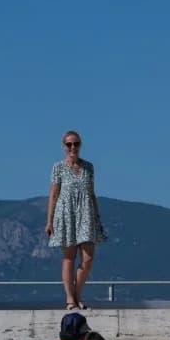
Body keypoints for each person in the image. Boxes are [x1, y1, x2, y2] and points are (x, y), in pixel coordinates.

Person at [45, 130, 104, 311]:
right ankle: (70, 299)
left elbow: (91, 193)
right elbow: (53, 195)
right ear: (64, 146)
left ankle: (77, 293)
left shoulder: (89, 167)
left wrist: (98, 218)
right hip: (66, 214)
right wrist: (49, 220)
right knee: (69, 257)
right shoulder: (58, 167)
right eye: (69, 144)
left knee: (88, 258)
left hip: (86, 213)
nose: (73, 147)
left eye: (76, 144)